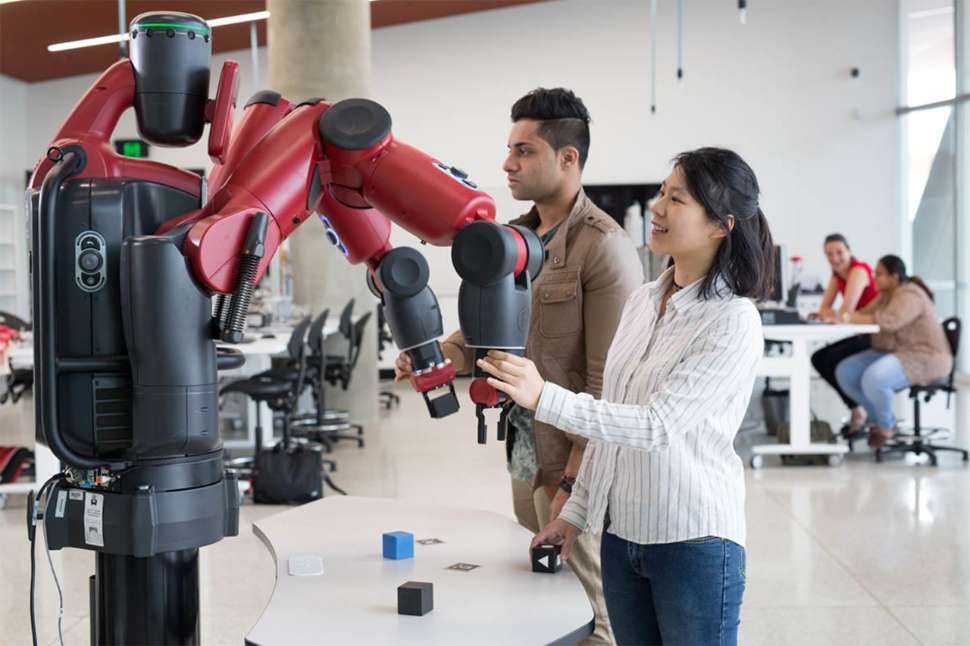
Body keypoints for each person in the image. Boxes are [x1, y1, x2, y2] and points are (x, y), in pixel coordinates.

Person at [478, 147, 773, 646]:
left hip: (694, 543)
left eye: (676, 199)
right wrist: (574, 513)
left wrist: (544, 397)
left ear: (720, 226)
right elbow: (612, 420)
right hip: (622, 538)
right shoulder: (644, 300)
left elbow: (655, 425)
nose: (656, 208)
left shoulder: (732, 319)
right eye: (662, 192)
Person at [395, 87, 643, 645]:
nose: (508, 163)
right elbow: (480, 340)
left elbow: (610, 386)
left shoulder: (603, 247)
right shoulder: (509, 240)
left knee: (590, 611)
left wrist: (574, 489)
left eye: (525, 151)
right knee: (541, 599)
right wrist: (432, 357)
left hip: (573, 467)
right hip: (526, 452)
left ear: (568, 158)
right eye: (509, 148)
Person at [835, 255, 952, 449]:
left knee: (874, 378)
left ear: (894, 277)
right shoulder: (886, 295)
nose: (874, 278)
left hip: (924, 357)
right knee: (846, 371)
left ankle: (887, 426)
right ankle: (878, 420)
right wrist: (848, 317)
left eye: (879, 274)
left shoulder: (910, 295)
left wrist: (848, 317)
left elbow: (888, 321)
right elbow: (864, 314)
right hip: (897, 351)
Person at [809, 234, 880, 435]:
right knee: (819, 358)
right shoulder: (837, 275)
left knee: (829, 358)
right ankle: (856, 408)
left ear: (849, 251)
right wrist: (835, 314)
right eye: (829, 254)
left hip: (876, 334)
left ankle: (859, 410)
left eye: (839, 252)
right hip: (861, 332)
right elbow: (825, 309)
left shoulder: (858, 271)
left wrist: (837, 314)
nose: (835, 258)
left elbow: (844, 312)